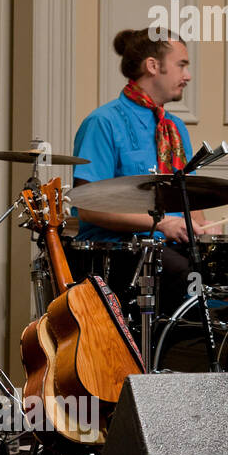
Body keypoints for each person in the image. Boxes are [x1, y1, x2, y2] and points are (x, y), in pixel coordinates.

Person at [71, 30, 210, 313]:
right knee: (187, 276)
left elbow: (191, 204)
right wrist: (159, 224)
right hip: (118, 253)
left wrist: (206, 233)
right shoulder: (103, 122)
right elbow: (87, 208)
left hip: (168, 250)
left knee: (225, 274)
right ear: (153, 66)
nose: (188, 75)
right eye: (182, 65)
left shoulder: (175, 128)